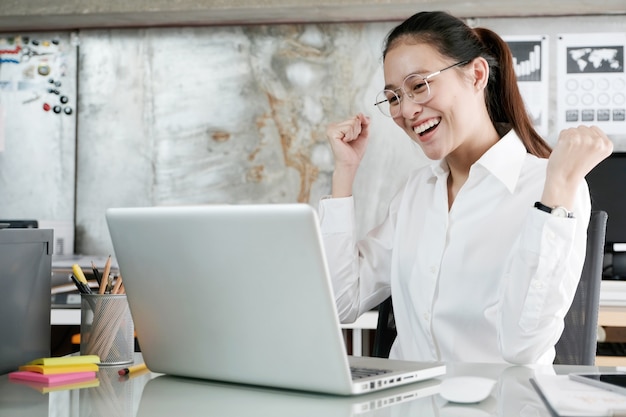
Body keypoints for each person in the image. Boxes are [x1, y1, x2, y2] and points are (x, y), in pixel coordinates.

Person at [319, 10, 613, 365]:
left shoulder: (550, 185)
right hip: (410, 404)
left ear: (476, 75)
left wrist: (561, 186)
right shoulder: (416, 192)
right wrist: (344, 172)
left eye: (418, 85)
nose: (407, 110)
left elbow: (523, 346)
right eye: (394, 97)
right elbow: (340, 304)